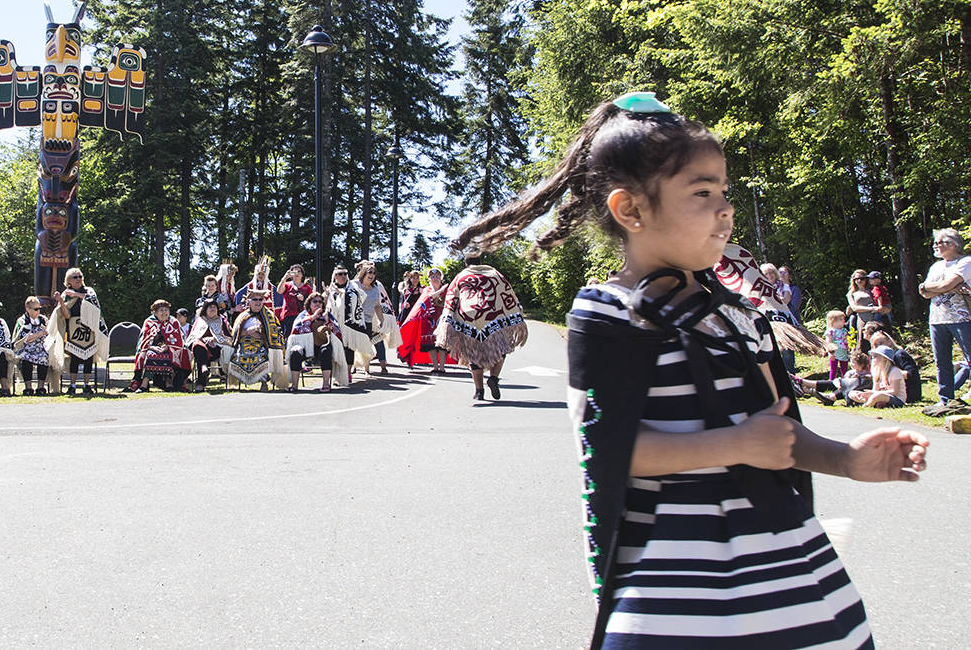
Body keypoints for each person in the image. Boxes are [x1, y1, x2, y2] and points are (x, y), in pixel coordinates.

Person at [450, 91, 927, 647]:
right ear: (631, 210)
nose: (724, 209)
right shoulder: (608, 312)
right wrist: (735, 446)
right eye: (702, 193)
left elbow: (777, 431)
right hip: (674, 587)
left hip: (791, 570)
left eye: (724, 191)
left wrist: (846, 460)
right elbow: (609, 448)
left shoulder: (738, 315)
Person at [434, 254, 528, 401]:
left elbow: (452, 298)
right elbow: (508, 293)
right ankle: (494, 378)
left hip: (469, 319)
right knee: (500, 349)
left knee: (473, 355)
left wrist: (447, 319)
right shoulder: (494, 274)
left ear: (466, 264)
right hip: (492, 318)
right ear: (480, 262)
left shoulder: (460, 276)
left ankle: (479, 391)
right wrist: (516, 313)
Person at [919, 227, 971, 417]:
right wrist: (938, 287)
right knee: (942, 362)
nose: (936, 245)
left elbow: (945, 285)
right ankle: (946, 401)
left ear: (954, 244)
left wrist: (936, 287)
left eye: (940, 242)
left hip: (963, 318)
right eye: (936, 242)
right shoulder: (936, 267)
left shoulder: (965, 262)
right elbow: (924, 292)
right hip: (937, 319)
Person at [51, 268, 109, 396]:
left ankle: (86, 385)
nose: (78, 279)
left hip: (89, 326)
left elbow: (93, 302)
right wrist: (61, 300)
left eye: (80, 276)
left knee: (89, 357)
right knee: (75, 358)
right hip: (73, 327)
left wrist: (76, 294)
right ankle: (72, 385)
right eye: (75, 277)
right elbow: (66, 315)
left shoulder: (89, 291)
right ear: (68, 281)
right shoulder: (66, 294)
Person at [286, 291, 349, 392]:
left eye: (320, 302)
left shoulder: (328, 315)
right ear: (309, 304)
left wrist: (327, 320)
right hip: (305, 347)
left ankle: (325, 385)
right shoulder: (303, 315)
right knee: (295, 352)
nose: (317, 303)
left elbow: (337, 333)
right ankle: (294, 385)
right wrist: (312, 318)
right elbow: (295, 330)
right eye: (314, 301)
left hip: (321, 347)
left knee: (326, 350)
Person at [396, 267, 454, 372]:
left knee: (442, 344)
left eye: (437, 276)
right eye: (432, 277)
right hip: (429, 320)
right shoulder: (427, 289)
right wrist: (440, 291)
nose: (435, 278)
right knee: (430, 344)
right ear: (429, 279)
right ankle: (435, 367)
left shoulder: (447, 290)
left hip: (442, 318)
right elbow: (427, 299)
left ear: (441, 278)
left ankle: (442, 367)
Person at [228, 289, 287, 391]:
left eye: (260, 299)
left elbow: (276, 331)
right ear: (249, 301)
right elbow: (235, 332)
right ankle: (240, 380)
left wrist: (260, 332)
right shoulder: (242, 316)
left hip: (262, 343)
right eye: (255, 299)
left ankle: (264, 382)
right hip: (243, 343)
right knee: (239, 354)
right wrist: (247, 332)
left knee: (261, 355)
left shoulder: (270, 316)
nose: (258, 302)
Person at [129, 299, 191, 392]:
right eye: (161, 310)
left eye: (166, 310)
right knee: (150, 355)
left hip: (170, 348)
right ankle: (144, 384)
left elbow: (179, 339)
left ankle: (168, 382)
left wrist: (168, 347)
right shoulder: (149, 322)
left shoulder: (173, 322)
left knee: (170, 355)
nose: (164, 313)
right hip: (152, 348)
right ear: (155, 312)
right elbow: (144, 339)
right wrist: (151, 347)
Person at [325, 266, 375, 377]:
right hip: (336, 324)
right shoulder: (331, 289)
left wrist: (342, 294)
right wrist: (328, 295)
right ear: (335, 276)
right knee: (337, 348)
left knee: (349, 348)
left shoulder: (353, 288)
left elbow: (361, 298)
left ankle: (347, 373)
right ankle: (338, 374)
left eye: (345, 274)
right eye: (340, 274)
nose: (343, 276)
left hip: (350, 325)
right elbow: (327, 306)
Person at [185, 300, 232, 392]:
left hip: (217, 348)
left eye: (214, 307)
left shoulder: (222, 319)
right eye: (210, 307)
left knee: (200, 352)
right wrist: (203, 339)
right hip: (200, 347)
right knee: (198, 345)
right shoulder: (200, 320)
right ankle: (203, 369)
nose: (213, 309)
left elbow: (229, 337)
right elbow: (193, 335)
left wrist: (215, 339)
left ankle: (201, 380)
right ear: (205, 309)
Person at [353, 263, 391, 375]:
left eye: (374, 273)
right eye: (369, 272)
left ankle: (366, 369)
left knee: (367, 345)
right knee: (354, 346)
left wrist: (381, 320)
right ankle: (351, 368)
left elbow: (377, 306)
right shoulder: (354, 284)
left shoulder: (375, 288)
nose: (372, 275)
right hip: (356, 320)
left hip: (369, 320)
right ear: (363, 273)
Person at [12, 296, 51, 396]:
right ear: (28, 309)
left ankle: (40, 387)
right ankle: (28, 387)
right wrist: (40, 333)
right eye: (36, 309)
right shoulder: (22, 321)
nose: (38, 311)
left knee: (44, 357)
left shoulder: (43, 319)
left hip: (41, 347)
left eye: (39, 309)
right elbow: (24, 338)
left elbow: (48, 333)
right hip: (25, 348)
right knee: (26, 358)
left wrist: (38, 335)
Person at [846, 269, 886, 351]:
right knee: (862, 342)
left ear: (866, 279)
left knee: (877, 340)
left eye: (862, 278)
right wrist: (872, 309)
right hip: (862, 319)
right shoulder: (851, 293)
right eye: (857, 279)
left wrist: (882, 309)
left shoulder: (872, 290)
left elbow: (881, 302)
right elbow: (855, 308)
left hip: (874, 319)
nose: (859, 280)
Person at [276, 263, 313, 337]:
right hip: (288, 316)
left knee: (301, 336)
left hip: (302, 316)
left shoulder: (307, 288)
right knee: (288, 337)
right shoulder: (287, 285)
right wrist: (285, 278)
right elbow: (279, 291)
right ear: (291, 274)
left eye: (299, 271)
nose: (297, 273)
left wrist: (303, 299)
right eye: (294, 272)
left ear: (302, 275)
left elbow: (311, 301)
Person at [824, 310, 850, 379]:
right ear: (833, 321)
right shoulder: (831, 331)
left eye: (843, 319)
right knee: (834, 369)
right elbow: (828, 342)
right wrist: (830, 353)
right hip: (835, 353)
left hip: (843, 352)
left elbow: (847, 340)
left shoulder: (844, 330)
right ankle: (832, 382)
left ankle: (845, 382)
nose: (843, 321)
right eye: (840, 319)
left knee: (844, 369)